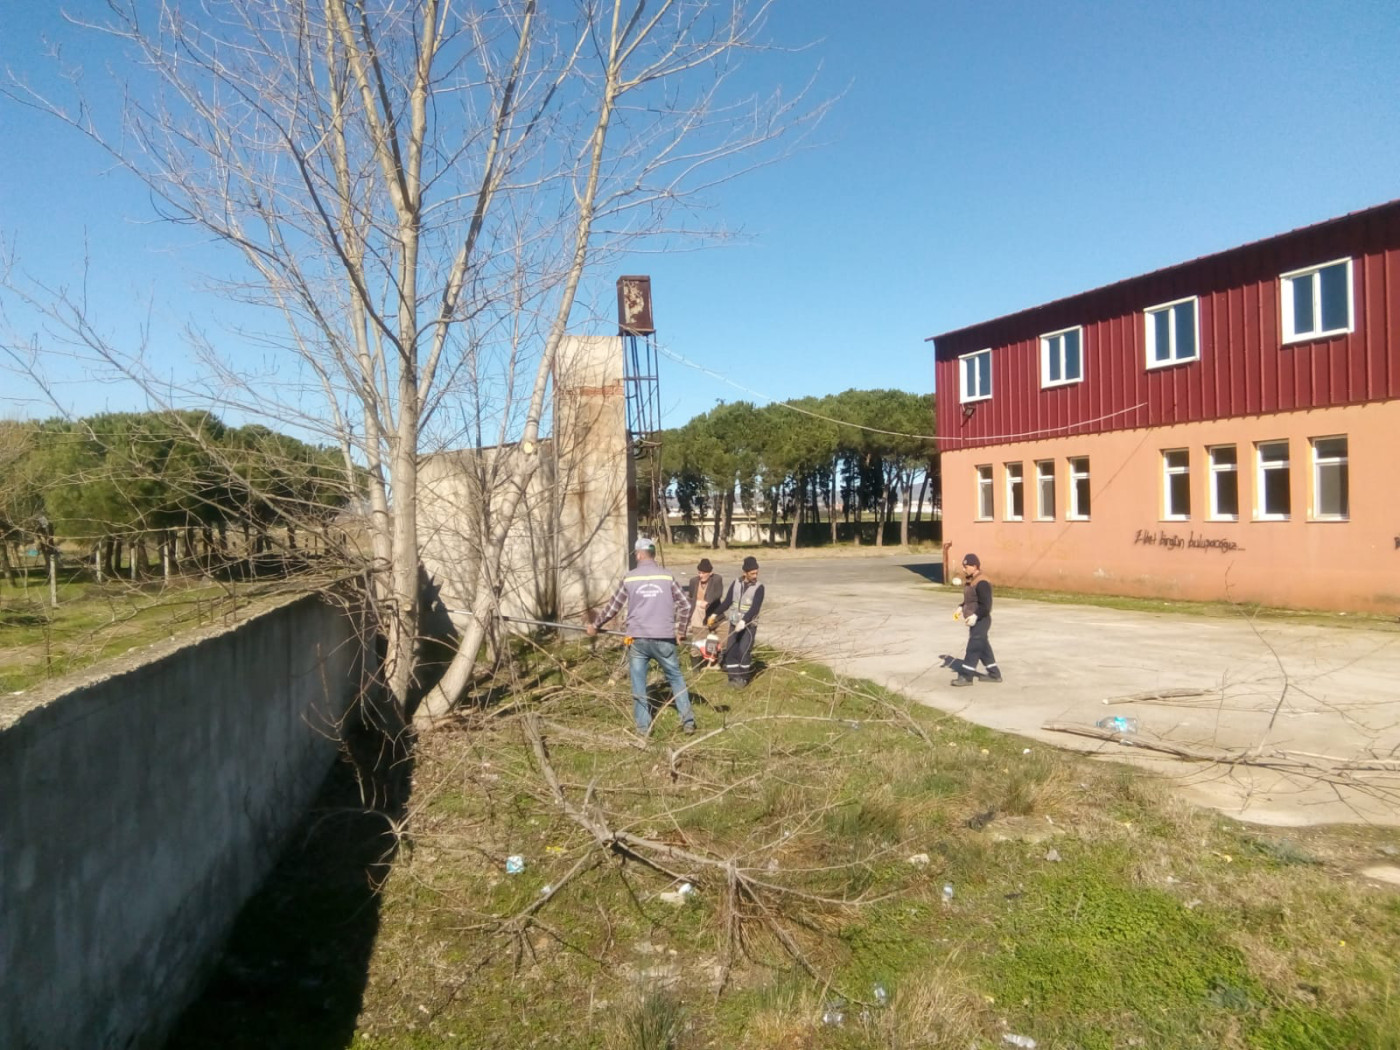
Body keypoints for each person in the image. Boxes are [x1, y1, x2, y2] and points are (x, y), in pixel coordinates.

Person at [587, 537, 697, 735]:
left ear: (638, 555)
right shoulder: (667, 577)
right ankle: (688, 721)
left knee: (638, 683)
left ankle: (643, 728)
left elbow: (613, 607)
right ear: (653, 554)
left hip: (638, 640)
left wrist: (595, 625)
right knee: (675, 678)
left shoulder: (629, 578)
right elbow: (686, 604)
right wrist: (681, 631)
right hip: (664, 638)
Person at [713, 555, 764, 688]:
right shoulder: (736, 583)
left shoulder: (759, 587)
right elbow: (727, 602)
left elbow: (755, 608)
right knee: (731, 651)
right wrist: (714, 613)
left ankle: (743, 679)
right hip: (734, 624)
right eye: (752, 573)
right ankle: (733, 677)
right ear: (744, 573)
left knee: (743, 651)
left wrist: (744, 621)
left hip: (748, 626)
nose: (755, 576)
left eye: (756, 573)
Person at [951, 553, 1002, 686]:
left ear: (975, 566)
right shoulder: (971, 580)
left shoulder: (982, 582)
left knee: (973, 647)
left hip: (981, 620)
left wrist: (975, 616)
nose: (964, 569)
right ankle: (994, 674)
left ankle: (966, 676)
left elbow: (986, 605)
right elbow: (971, 600)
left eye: (966, 567)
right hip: (974, 620)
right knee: (983, 648)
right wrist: (961, 607)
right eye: (963, 566)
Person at [685, 557, 725, 666]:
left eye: (703, 573)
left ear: (710, 573)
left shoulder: (716, 579)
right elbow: (691, 597)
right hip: (698, 616)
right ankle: (696, 667)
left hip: (714, 615)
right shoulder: (693, 581)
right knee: (698, 642)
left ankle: (717, 661)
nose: (701, 575)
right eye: (699, 572)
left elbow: (717, 594)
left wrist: (707, 601)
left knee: (723, 638)